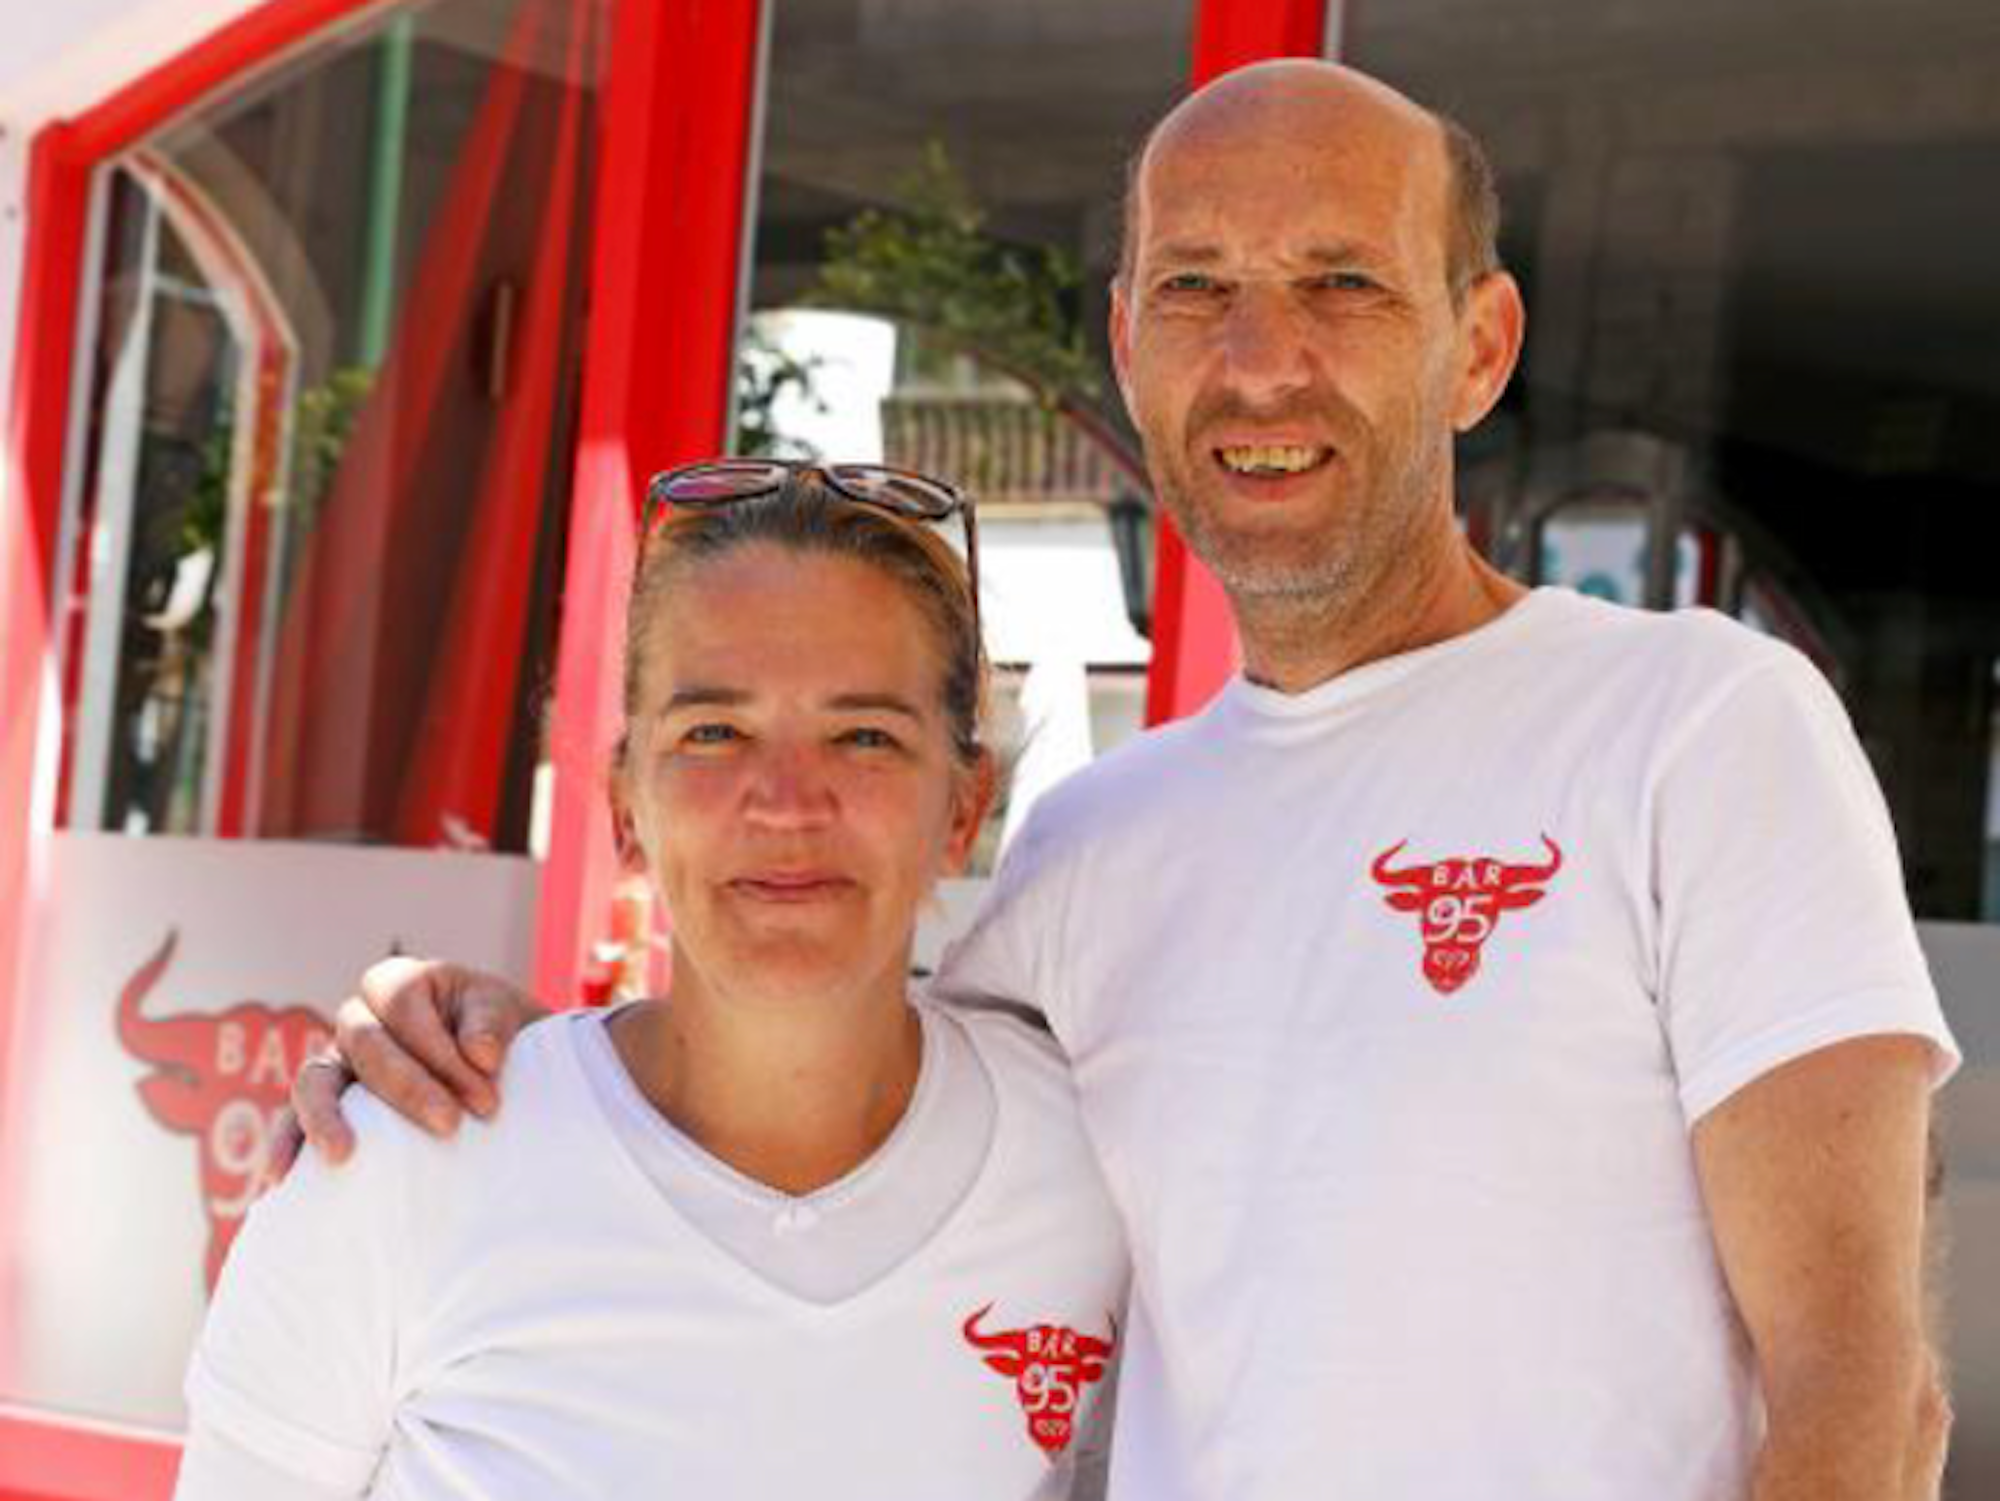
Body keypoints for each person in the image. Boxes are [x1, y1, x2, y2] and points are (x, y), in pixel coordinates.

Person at [296, 61, 1959, 1501]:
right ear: (1126, 344)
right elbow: (809, 1119)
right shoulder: (1093, 843)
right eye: (1194, 285)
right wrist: (508, 1059)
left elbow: (1864, 1390)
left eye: (1341, 284)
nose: (1258, 360)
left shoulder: (1697, 724)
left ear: (1479, 343)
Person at [179, 463, 1128, 1500]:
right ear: (626, 805)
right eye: (713, 732)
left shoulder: (1085, 1174)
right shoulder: (401, 1167)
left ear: (962, 807)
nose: (784, 803)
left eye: (864, 736)